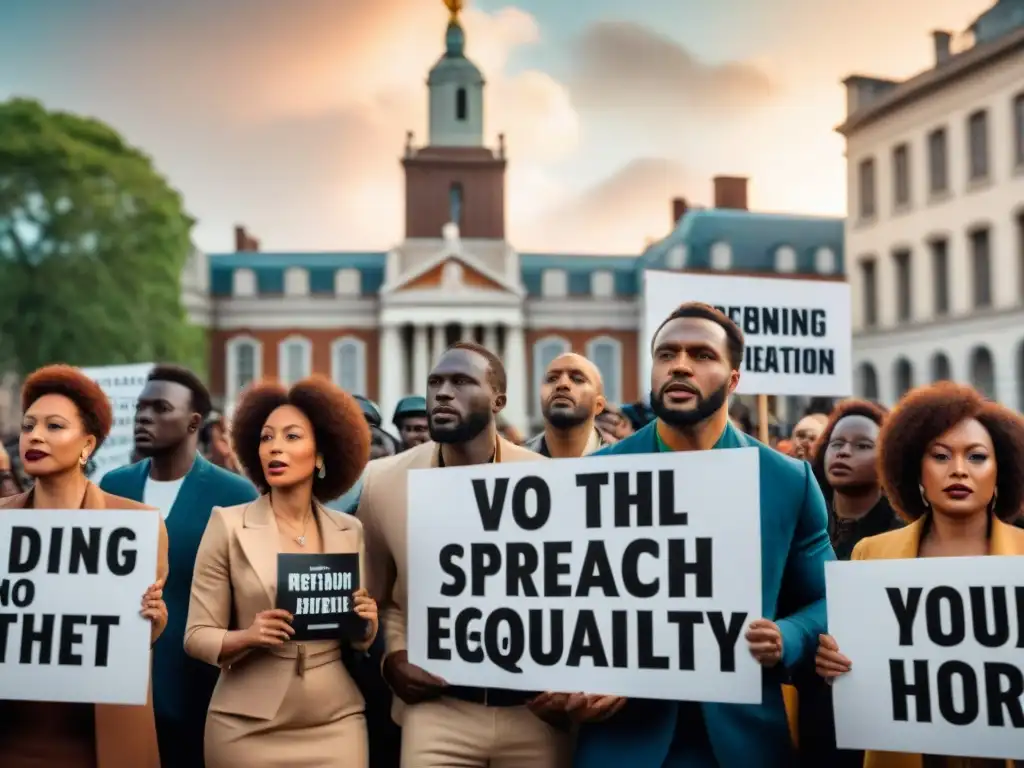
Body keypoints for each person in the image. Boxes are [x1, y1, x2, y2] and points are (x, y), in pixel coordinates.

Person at [573, 302, 834, 768]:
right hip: (624, 741)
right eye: (667, 354)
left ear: (734, 380)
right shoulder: (597, 475)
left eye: (702, 355)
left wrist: (787, 636)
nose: (680, 365)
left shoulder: (786, 479)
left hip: (743, 744)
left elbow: (830, 597)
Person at [361, 341, 570, 767]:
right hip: (437, 710)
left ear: (498, 400)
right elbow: (380, 598)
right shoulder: (382, 481)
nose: (441, 392)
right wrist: (393, 658)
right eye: (435, 381)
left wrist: (568, 684)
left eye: (461, 381)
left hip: (533, 713)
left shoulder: (553, 482)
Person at [815, 383, 1024, 768]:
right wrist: (835, 661)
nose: (958, 470)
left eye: (977, 457)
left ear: (1001, 472)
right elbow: (862, 671)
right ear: (916, 470)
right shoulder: (872, 555)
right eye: (941, 456)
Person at [185, 375, 378, 768]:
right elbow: (196, 637)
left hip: (336, 721)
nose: (275, 447)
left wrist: (367, 624)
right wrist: (247, 637)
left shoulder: (349, 530)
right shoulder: (227, 524)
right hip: (246, 725)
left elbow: (358, 639)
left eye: (292, 437)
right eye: (266, 437)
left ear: (321, 453)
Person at [0, 364, 169, 768]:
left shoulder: (137, 525)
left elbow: (125, 638)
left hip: (100, 745)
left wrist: (152, 624)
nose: (35, 436)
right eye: (28, 426)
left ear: (87, 445)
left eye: (54, 426)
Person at [100, 364, 259, 768]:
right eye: (139, 408)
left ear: (193, 422)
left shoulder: (234, 493)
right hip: (120, 683)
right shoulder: (112, 488)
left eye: (159, 408)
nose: (143, 417)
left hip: (199, 687)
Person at [795, 398, 902, 767]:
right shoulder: (800, 522)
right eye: (837, 443)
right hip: (807, 700)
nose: (844, 452)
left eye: (862, 446)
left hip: (875, 710)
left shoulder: (903, 537)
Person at [526, 352, 608, 457]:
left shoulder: (623, 460)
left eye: (578, 379)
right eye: (552, 379)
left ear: (598, 405)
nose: (562, 384)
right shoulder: (512, 463)